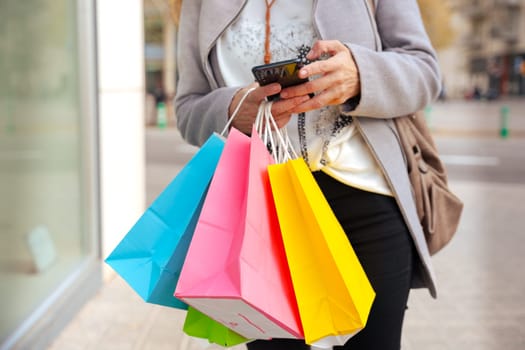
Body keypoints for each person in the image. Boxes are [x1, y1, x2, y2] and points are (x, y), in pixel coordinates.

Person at [174, 1, 441, 349]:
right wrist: (233, 108)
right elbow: (188, 108)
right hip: (265, 213)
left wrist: (361, 75)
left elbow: (426, 72)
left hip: (366, 202)